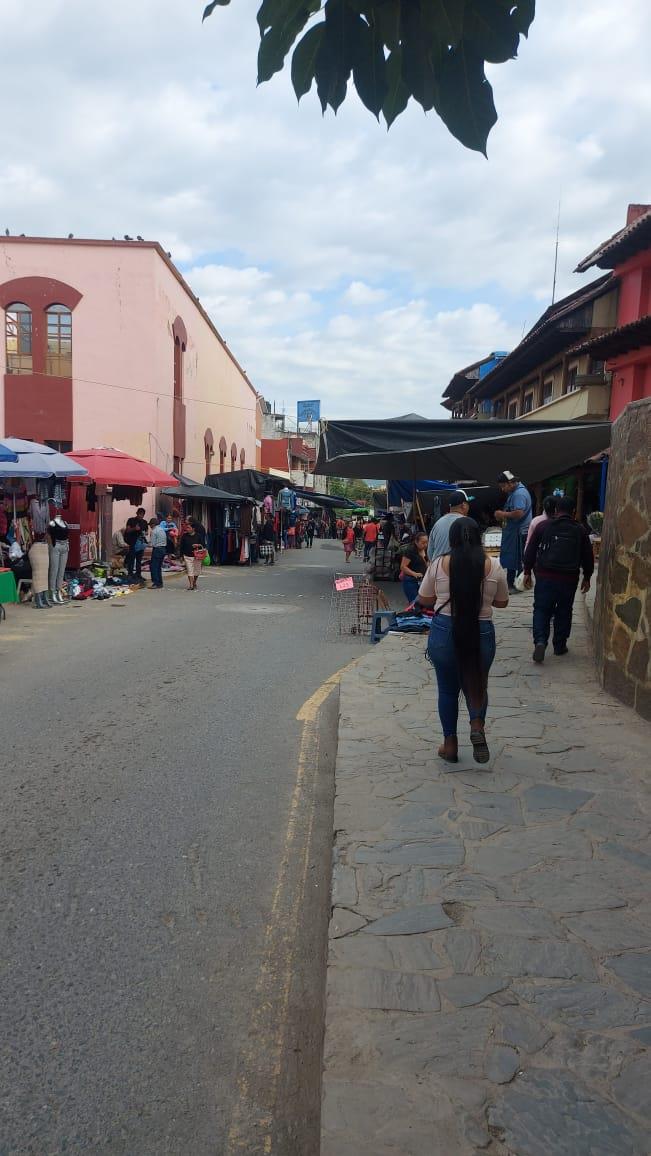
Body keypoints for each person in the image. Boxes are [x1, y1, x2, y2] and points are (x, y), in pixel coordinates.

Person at [416, 517, 509, 765]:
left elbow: (424, 599)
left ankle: (450, 745)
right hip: (482, 631)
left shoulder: (438, 564)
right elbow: (502, 602)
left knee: (447, 689)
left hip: (445, 630)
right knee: (477, 682)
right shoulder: (494, 566)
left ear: (452, 538)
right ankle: (477, 725)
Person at [523, 495, 594, 663]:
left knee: (541, 609)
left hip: (545, 576)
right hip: (569, 579)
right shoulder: (580, 530)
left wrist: (527, 571)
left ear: (555, 510)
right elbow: (587, 557)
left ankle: (540, 640)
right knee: (564, 610)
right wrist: (588, 577)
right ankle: (560, 645)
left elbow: (530, 550)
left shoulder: (543, 526)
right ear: (574, 512)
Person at [494, 471, 533, 591]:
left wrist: (502, 514)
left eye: (503, 486)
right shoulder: (515, 491)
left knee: (517, 559)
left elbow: (519, 513)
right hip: (514, 531)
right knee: (513, 559)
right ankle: (513, 583)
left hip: (518, 532)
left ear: (510, 483)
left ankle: (517, 584)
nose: (502, 489)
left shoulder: (519, 494)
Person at [427, 490, 472, 561]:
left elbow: (430, 554)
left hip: (436, 568)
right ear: (464, 505)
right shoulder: (467, 522)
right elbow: (472, 551)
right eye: (468, 504)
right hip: (456, 568)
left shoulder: (437, 523)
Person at [399, 531, 428, 605]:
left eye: (426, 542)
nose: (425, 545)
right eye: (423, 542)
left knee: (422, 603)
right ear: (416, 542)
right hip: (411, 581)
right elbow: (403, 567)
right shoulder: (410, 551)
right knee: (414, 603)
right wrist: (414, 573)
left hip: (422, 581)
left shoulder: (425, 550)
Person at [179, 521, 205, 590]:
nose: (187, 529)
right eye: (186, 528)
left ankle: (194, 582)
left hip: (197, 556)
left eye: (189, 528)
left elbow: (203, 545)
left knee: (196, 571)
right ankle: (191, 585)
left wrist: (198, 545)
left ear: (193, 529)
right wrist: (181, 556)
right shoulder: (184, 536)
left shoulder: (198, 536)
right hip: (187, 556)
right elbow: (181, 546)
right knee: (190, 571)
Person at [124, 516, 146, 586]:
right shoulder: (131, 520)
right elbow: (127, 530)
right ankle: (130, 574)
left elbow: (146, 531)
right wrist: (135, 529)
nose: (141, 516)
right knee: (131, 559)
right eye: (140, 514)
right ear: (137, 514)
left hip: (140, 543)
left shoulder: (144, 522)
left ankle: (138, 574)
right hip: (132, 543)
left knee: (139, 561)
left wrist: (144, 533)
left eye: (142, 514)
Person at [148, 517, 167, 589]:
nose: (150, 526)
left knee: (153, 567)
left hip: (157, 549)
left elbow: (152, 543)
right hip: (163, 549)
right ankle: (160, 582)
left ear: (153, 524)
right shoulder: (162, 530)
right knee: (158, 567)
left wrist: (146, 544)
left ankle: (155, 583)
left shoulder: (154, 531)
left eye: (150, 525)